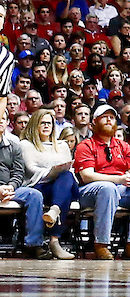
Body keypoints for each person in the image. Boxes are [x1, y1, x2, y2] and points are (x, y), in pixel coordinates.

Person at [74, 103, 130, 260]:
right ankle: (102, 244)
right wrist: (119, 179)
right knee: (108, 188)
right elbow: (87, 175)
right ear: (93, 123)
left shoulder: (123, 145)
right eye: (104, 117)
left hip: (118, 188)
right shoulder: (85, 145)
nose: (109, 120)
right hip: (89, 190)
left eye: (112, 118)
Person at [18, 107, 78, 259]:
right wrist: (51, 172)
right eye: (42, 123)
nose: (46, 126)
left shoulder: (62, 145)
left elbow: (69, 169)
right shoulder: (26, 144)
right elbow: (31, 169)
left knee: (66, 177)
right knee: (65, 187)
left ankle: (54, 210)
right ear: (34, 125)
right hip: (39, 185)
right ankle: (54, 241)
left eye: (49, 123)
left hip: (62, 185)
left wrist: (59, 172)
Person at [0, 99, 53, 258]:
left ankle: (33, 244)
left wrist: (10, 187)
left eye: (2, 119)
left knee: (34, 194)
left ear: (7, 122)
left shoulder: (14, 145)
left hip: (9, 190)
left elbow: (18, 172)